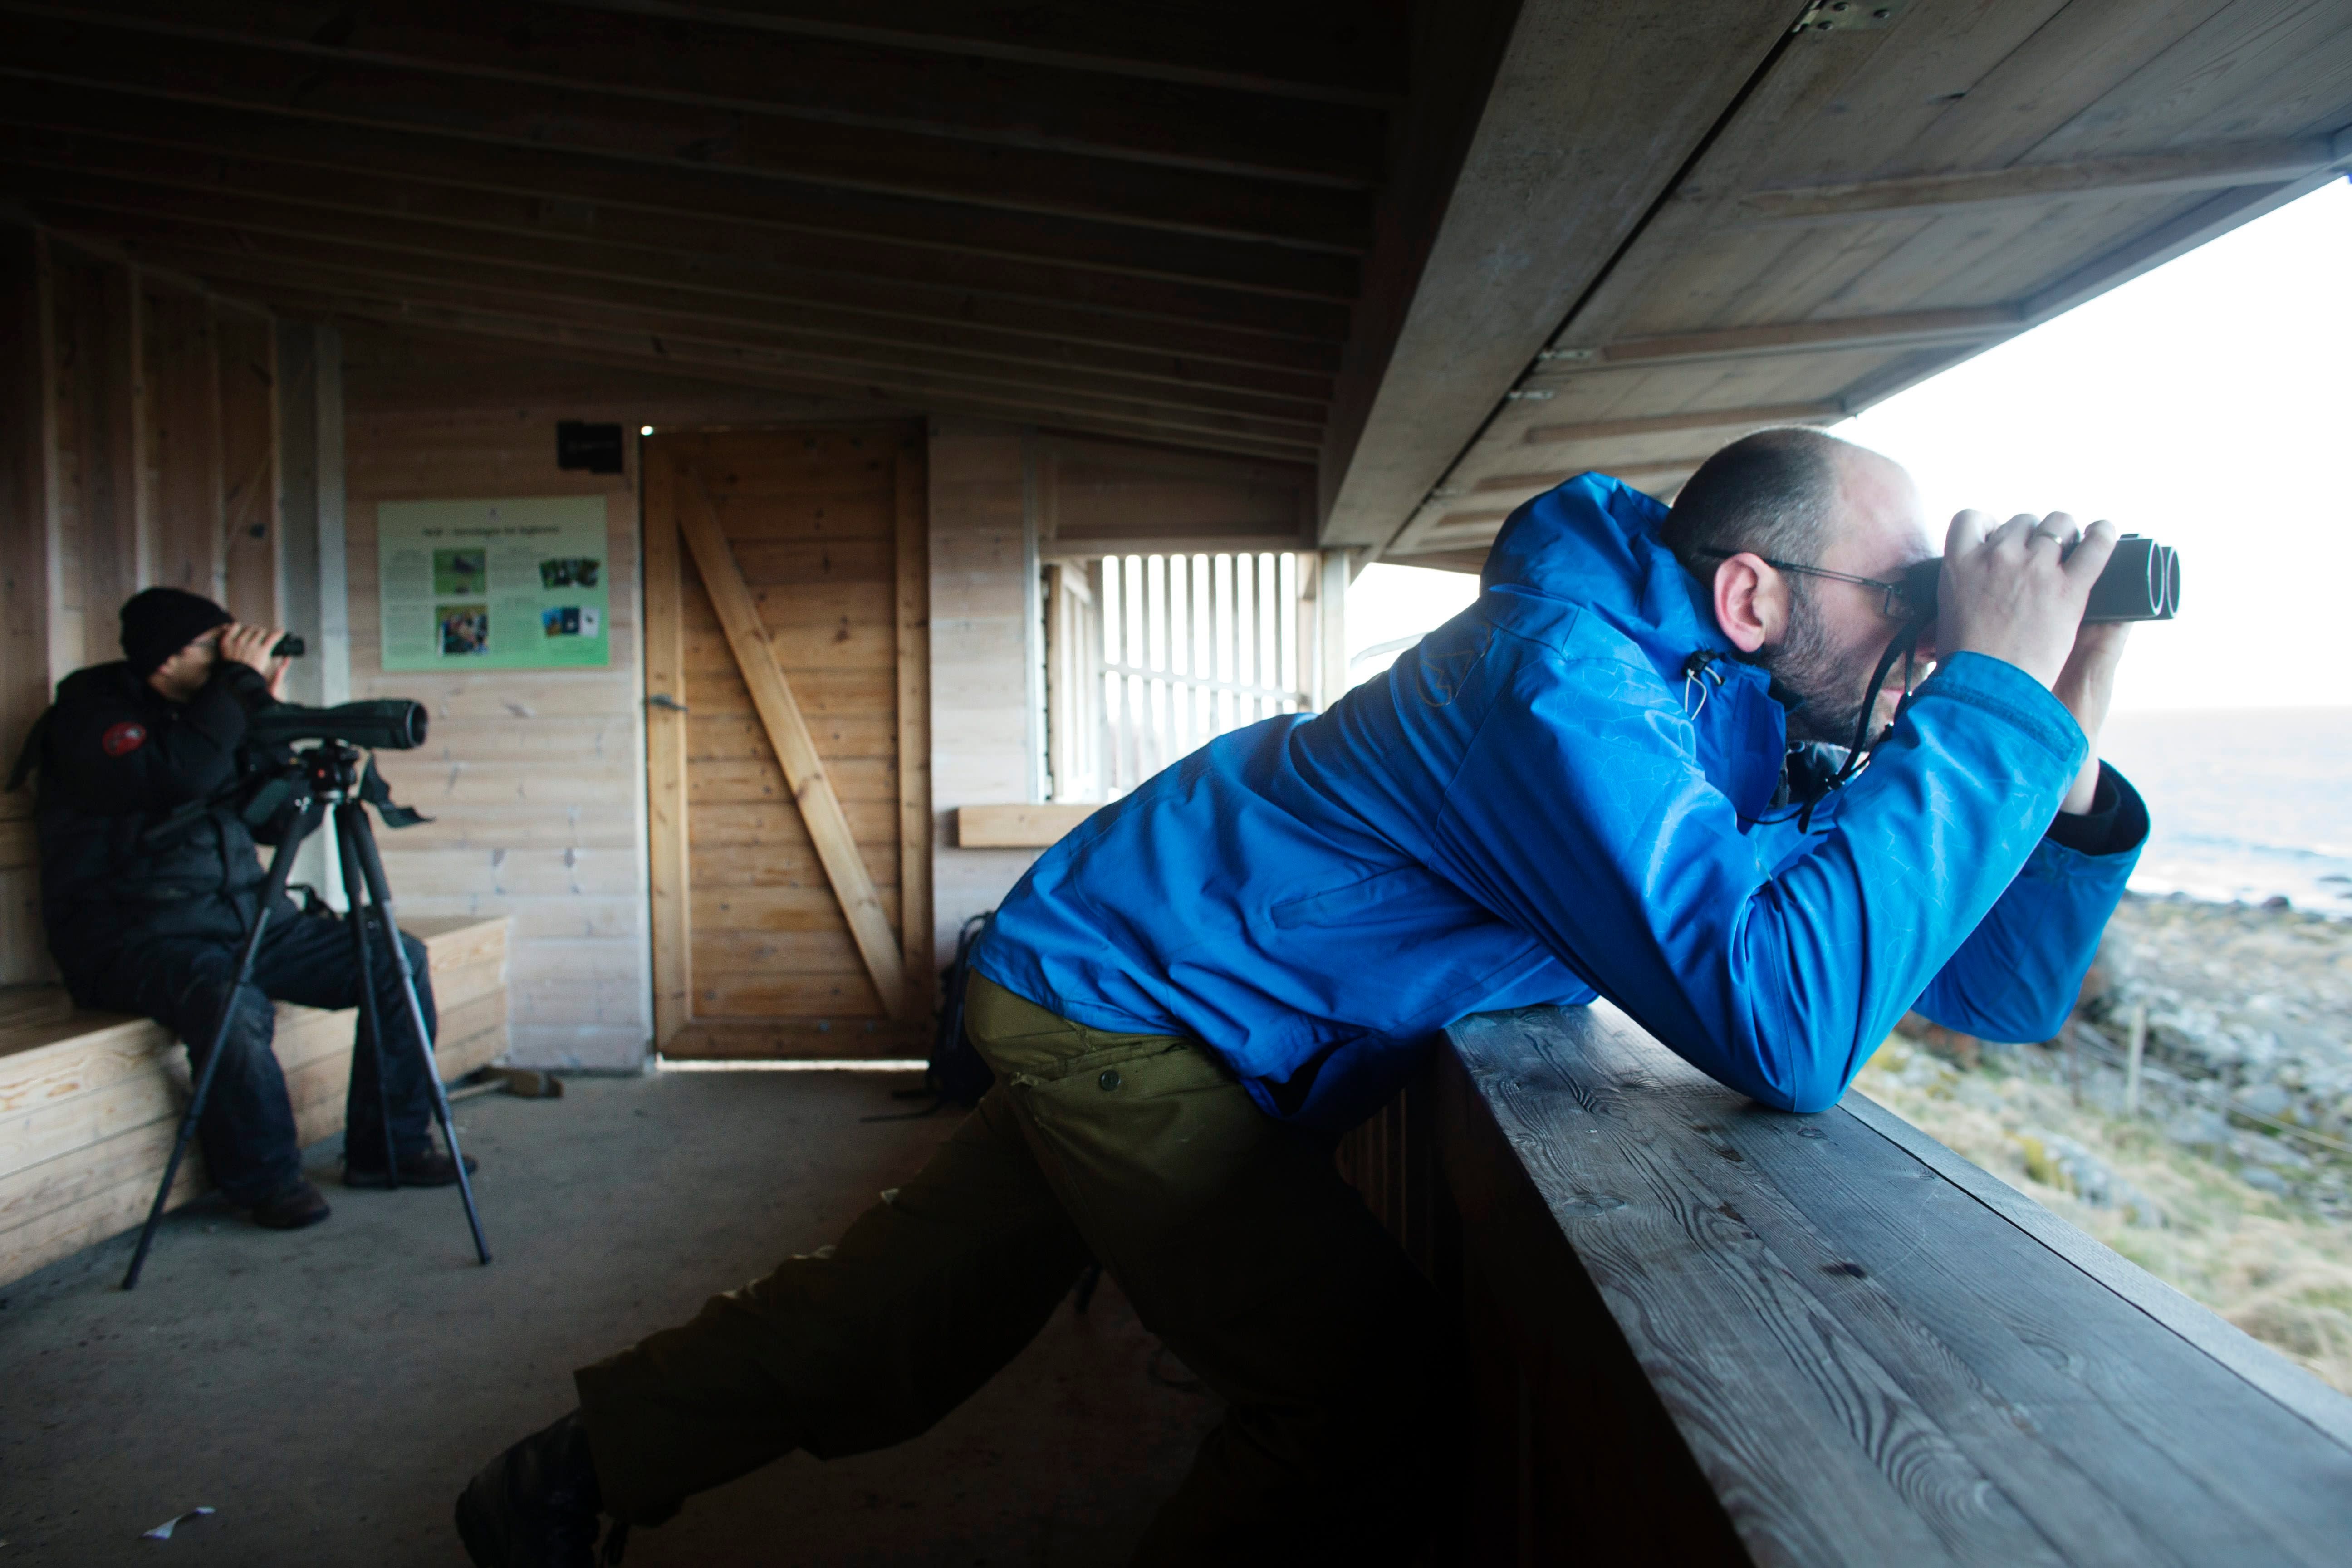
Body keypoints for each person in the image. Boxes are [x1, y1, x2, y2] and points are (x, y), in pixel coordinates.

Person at [456, 430, 2146, 1565]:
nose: (1929, 626)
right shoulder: (1562, 685)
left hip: (1184, 997)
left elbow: (1980, 989)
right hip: (1130, 1001)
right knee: (1361, 1396)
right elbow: (1786, 1027)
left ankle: (560, 1479)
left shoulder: (1723, 706)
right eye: (1905, 595)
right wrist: (1986, 694)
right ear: (1752, 595)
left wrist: (2056, 735)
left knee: (907, 1307)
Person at [20, 587, 476, 1231]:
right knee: (231, 1002)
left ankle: (389, 1149)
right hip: (135, 937)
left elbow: (275, 826)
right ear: (165, 659)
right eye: (215, 648)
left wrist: (268, 726)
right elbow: (176, 776)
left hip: (248, 920)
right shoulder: (91, 717)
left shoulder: (215, 714)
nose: (235, 657)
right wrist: (234, 691)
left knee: (394, 960)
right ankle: (266, 1180)